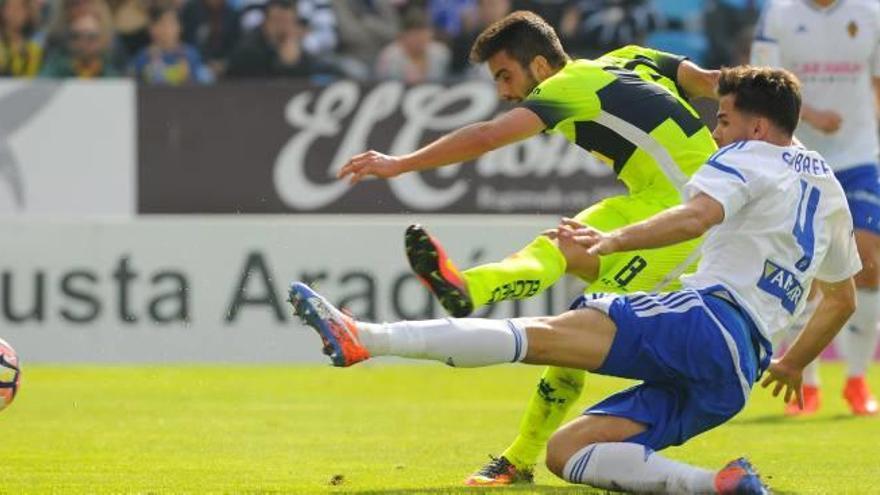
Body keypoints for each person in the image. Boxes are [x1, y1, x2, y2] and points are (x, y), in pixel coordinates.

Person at [291, 65, 860, 495]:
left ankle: (368, 338)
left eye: (724, 119)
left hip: (706, 320)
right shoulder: (827, 188)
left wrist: (612, 240)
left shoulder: (747, 156)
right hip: (736, 374)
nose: (715, 132)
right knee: (569, 452)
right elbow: (841, 299)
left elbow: (694, 217)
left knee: (538, 334)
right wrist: (790, 362)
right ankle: (718, 484)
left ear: (756, 126)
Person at [338, 10, 719, 485]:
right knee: (556, 249)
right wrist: (770, 124)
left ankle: (522, 456)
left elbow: (487, 135)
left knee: (574, 332)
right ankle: (468, 289)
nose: (502, 91)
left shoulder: (563, 87)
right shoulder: (628, 59)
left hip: (689, 217)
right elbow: (714, 82)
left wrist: (399, 164)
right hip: (651, 201)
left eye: (505, 75)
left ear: (540, 66)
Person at [751, 0, 880, 416]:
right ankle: (806, 382)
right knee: (801, 268)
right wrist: (810, 113)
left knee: (868, 260)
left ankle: (857, 380)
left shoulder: (871, 12)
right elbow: (759, 87)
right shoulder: (779, 14)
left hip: (859, 154)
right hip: (797, 155)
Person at [225, 0, 334, 79]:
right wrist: (284, 62)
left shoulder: (297, 48)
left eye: (288, 21)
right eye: (277, 21)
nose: (282, 27)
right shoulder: (248, 48)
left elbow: (305, 79)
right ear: (266, 21)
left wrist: (293, 58)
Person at [130, 4, 211, 85]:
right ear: (152, 29)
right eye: (162, 24)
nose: (167, 29)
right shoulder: (143, 57)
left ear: (180, 27)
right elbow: (131, 81)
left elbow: (205, 81)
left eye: (171, 23)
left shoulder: (190, 55)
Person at [40, 9, 119, 78]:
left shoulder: (112, 70)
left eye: (91, 37)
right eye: (76, 36)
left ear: (102, 39)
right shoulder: (56, 67)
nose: (83, 43)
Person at [0, 0, 43, 77]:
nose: (14, 13)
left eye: (19, 9)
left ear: (28, 13)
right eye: (10, 8)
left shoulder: (35, 48)